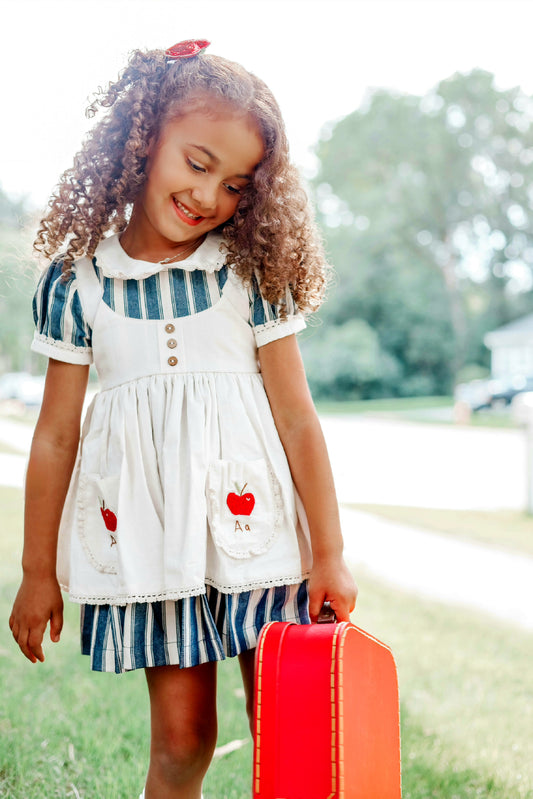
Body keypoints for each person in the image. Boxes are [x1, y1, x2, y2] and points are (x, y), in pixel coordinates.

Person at [9, 39, 357, 799]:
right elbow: (56, 436)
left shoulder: (246, 274)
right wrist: (39, 571)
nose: (209, 196)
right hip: (152, 546)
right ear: (141, 140)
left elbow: (297, 419)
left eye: (235, 184)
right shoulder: (79, 283)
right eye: (197, 164)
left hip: (262, 542)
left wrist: (327, 552)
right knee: (182, 738)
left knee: (288, 729)